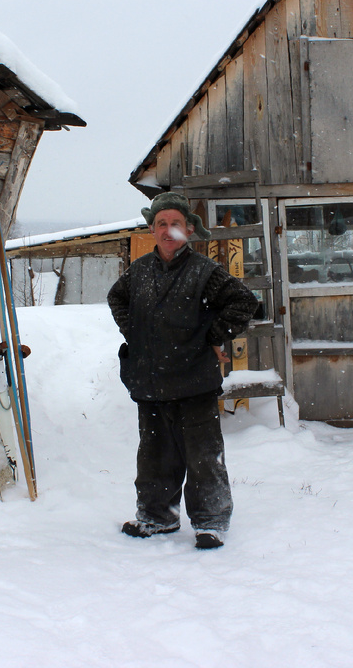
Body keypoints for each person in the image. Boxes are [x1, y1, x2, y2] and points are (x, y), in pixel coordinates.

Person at [108, 192, 258, 550]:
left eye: (175, 223)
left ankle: (211, 522)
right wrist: (137, 334)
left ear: (189, 229)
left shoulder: (204, 272)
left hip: (194, 379)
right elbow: (117, 298)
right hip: (151, 380)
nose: (168, 229)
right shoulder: (140, 271)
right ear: (153, 229)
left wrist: (212, 335)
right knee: (155, 455)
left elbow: (244, 302)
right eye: (161, 223)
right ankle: (157, 518)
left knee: (203, 455)